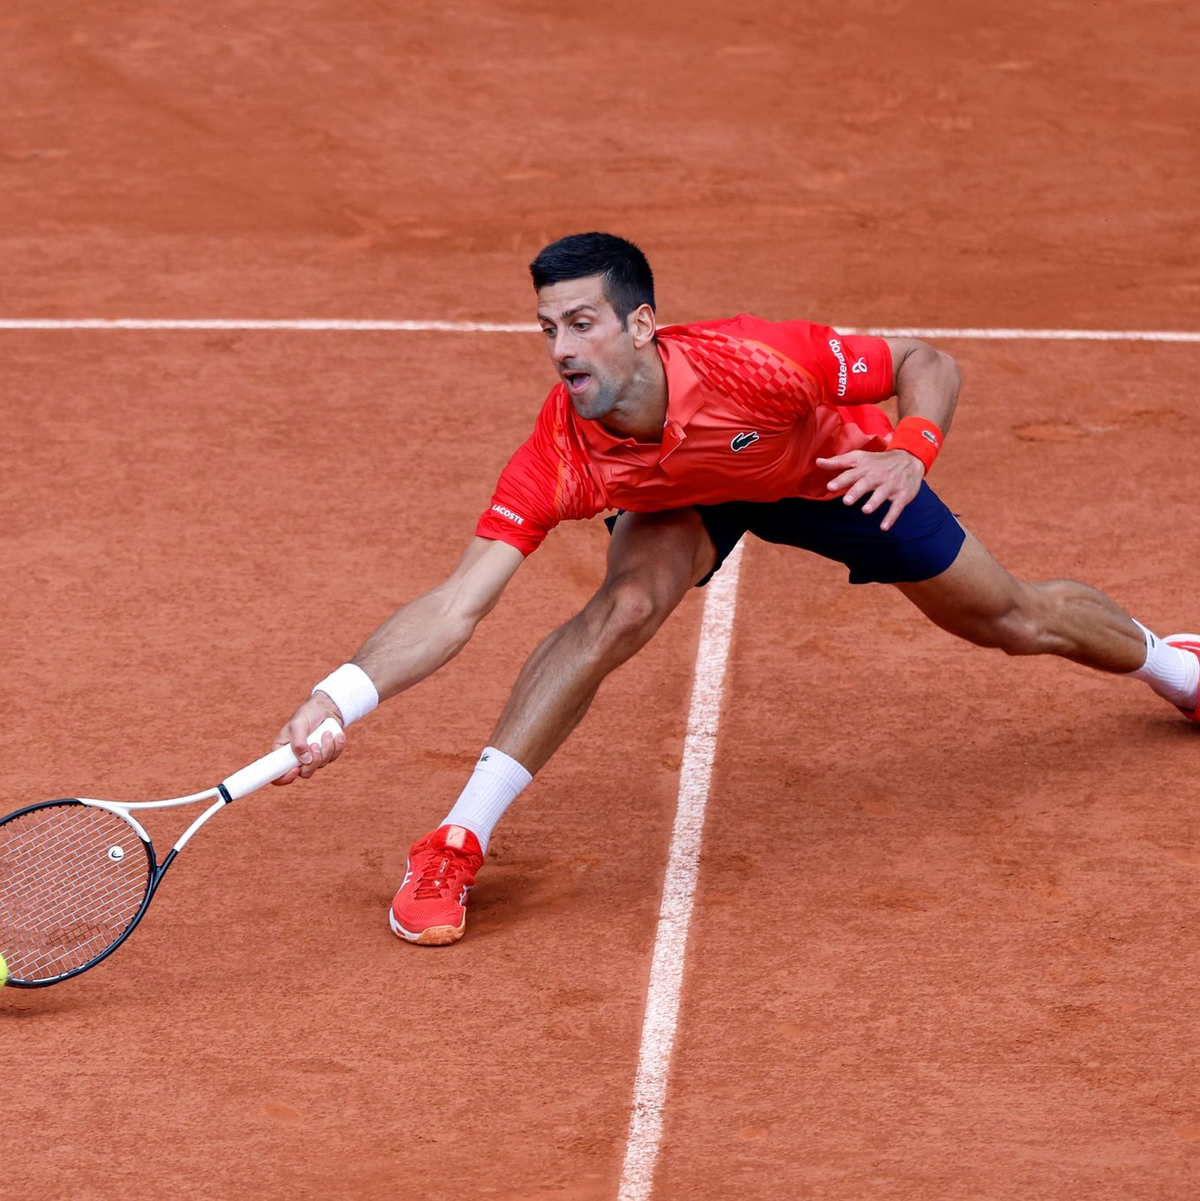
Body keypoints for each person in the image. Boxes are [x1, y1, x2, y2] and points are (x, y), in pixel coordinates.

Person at [274, 232, 1199, 946]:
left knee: (1011, 618)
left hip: (829, 468)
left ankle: (1175, 665)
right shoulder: (561, 448)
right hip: (680, 501)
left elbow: (930, 362)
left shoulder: (756, 359)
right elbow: (455, 604)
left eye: (582, 322)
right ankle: (455, 841)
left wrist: (912, 453)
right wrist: (339, 695)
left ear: (641, 324)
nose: (561, 347)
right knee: (619, 612)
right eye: (549, 327)